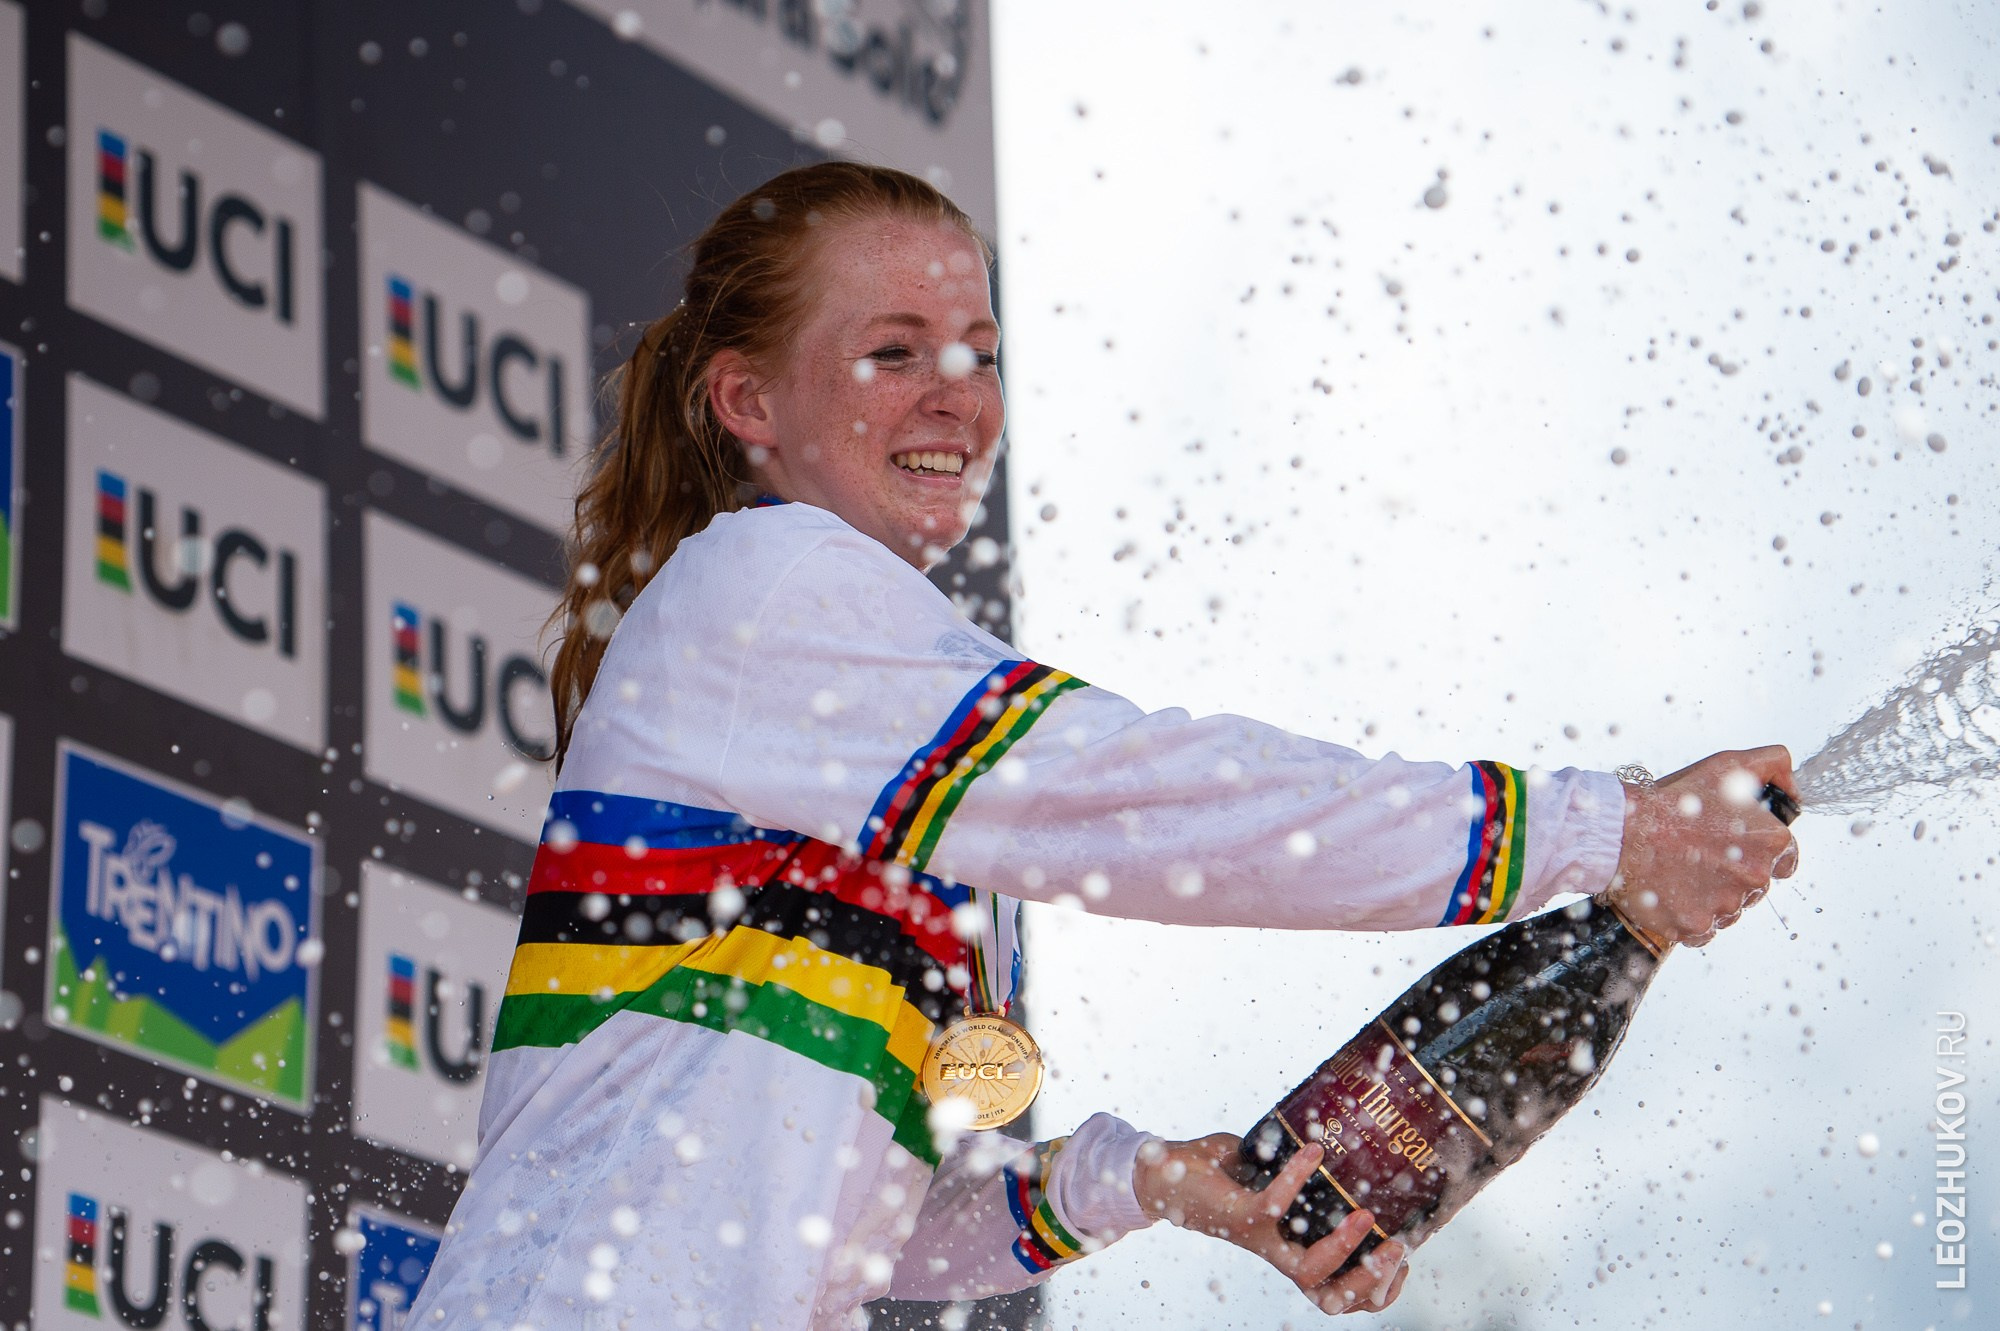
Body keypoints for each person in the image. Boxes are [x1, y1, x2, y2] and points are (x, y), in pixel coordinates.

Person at [405, 162, 1799, 1329]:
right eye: (894, 353)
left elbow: (847, 1228)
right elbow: (1145, 800)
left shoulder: (901, 778)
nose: (959, 398)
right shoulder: (760, 589)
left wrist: (1143, 1183)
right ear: (749, 403)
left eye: (981, 358)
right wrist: (1602, 830)